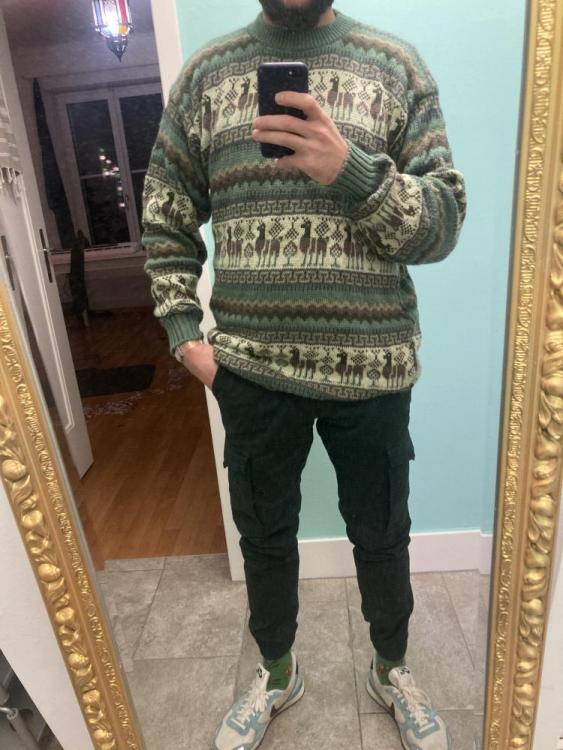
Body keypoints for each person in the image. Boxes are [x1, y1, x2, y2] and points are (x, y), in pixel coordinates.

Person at [142, 1, 466, 747]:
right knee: (263, 535)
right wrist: (185, 336)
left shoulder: (396, 66)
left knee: (382, 534)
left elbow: (442, 225)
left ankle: (390, 669)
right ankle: (277, 671)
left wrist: (351, 171)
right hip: (250, 372)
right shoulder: (205, 76)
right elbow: (165, 210)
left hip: (374, 367)